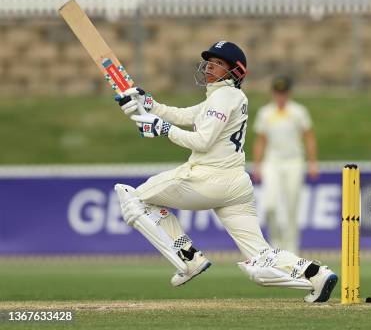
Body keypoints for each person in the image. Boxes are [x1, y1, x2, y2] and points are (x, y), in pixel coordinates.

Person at [113, 40, 337, 303]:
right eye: (209, 62)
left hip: (208, 178)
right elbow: (185, 115)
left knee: (134, 199)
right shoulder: (224, 97)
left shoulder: (224, 97)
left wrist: (162, 129)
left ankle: (188, 258)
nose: (210, 67)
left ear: (235, 71)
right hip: (236, 185)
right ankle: (317, 274)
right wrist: (148, 103)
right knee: (260, 258)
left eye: (218, 63)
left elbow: (202, 142)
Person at [252, 75, 319, 253]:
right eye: (277, 93)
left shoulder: (298, 111)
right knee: (270, 205)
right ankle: (276, 244)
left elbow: (309, 137)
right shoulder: (265, 113)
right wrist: (257, 165)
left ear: (288, 93)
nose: (280, 96)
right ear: (273, 93)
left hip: (294, 162)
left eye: (283, 93)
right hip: (272, 162)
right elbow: (260, 140)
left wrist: (313, 162)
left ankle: (292, 247)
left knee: (292, 204)